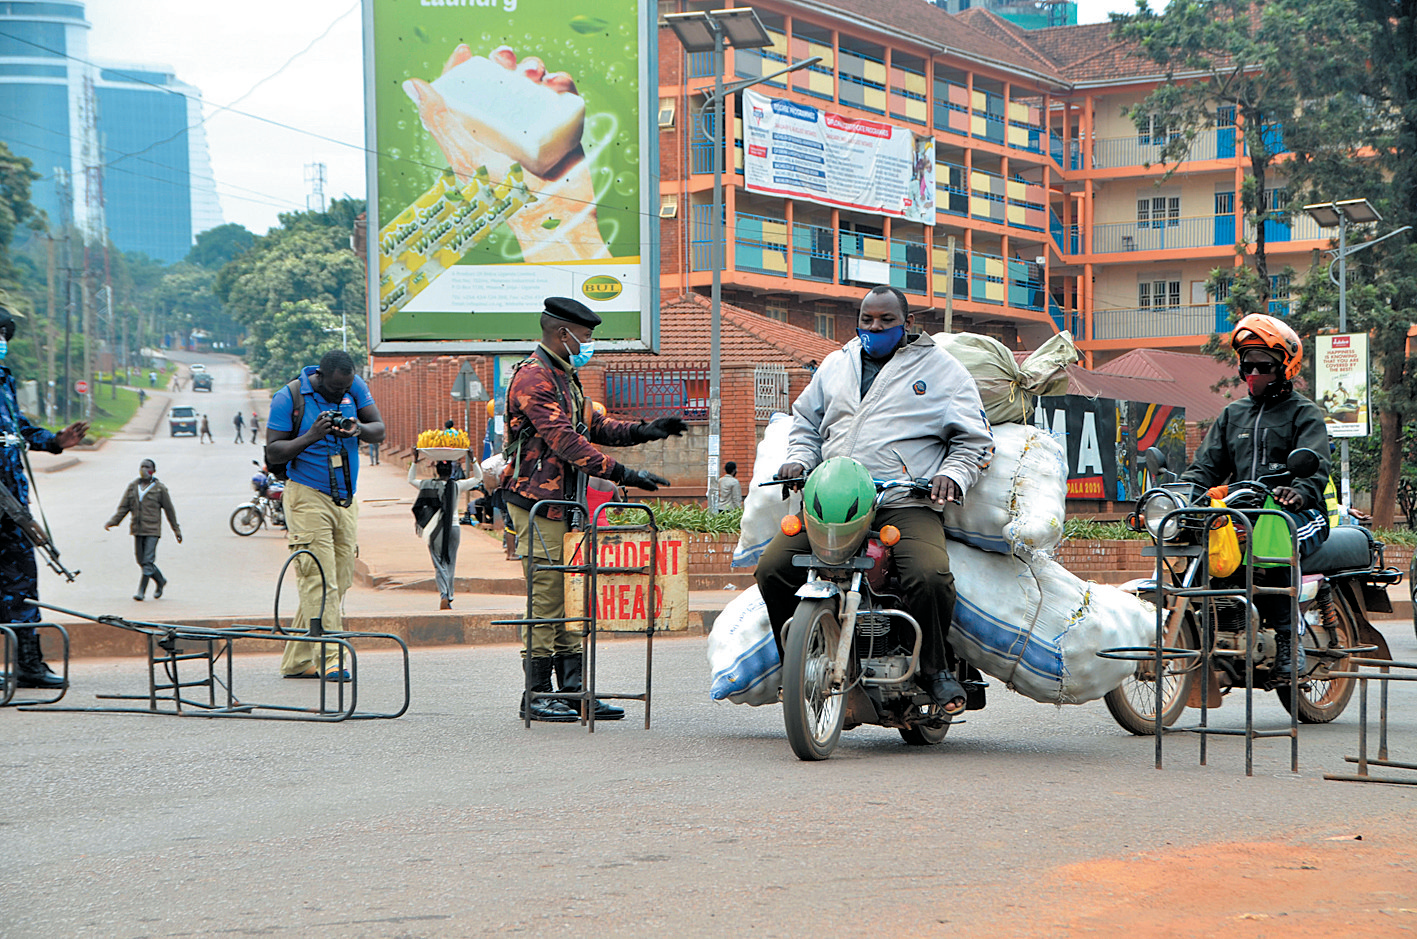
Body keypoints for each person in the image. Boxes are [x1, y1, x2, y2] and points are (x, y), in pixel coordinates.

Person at [755, 286, 994, 717]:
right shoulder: (836, 364)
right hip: (834, 499)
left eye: (886, 320)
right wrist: (799, 459)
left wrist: (951, 475)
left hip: (903, 500)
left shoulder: (942, 370)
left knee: (929, 575)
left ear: (908, 323)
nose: (875, 327)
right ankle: (797, 662)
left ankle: (935, 668)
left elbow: (974, 441)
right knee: (773, 568)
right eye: (867, 319)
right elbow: (806, 424)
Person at [502, 296, 686, 721]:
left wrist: (645, 431)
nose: (588, 344)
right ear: (562, 333)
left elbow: (593, 425)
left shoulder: (565, 376)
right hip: (537, 502)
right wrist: (625, 473)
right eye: (584, 336)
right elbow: (565, 441)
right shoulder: (534, 377)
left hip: (565, 502)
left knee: (572, 596)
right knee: (547, 596)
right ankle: (536, 693)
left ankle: (572, 690)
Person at [1179, 313, 1332, 676]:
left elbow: (1316, 465)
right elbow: (1205, 468)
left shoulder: (1304, 414)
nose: (1253, 374)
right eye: (1247, 366)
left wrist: (1299, 492)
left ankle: (1289, 640)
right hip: (1242, 512)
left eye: (1264, 366)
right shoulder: (1232, 415)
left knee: (1272, 535)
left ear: (1286, 368)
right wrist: (1181, 497)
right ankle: (1213, 629)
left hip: (1299, 513)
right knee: (1196, 535)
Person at [265, 349, 385, 680]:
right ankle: (332, 656)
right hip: (306, 495)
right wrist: (311, 436)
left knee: (340, 580)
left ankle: (297, 660)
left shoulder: (354, 386)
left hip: (345, 498)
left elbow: (379, 430)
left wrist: (357, 428)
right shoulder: (288, 397)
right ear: (320, 376)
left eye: (344, 388)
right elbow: (273, 451)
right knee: (319, 579)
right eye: (334, 389)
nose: (339, 394)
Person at [0, 308, 88, 690]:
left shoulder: (4, 381)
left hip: (11, 508)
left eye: (4, 337)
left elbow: (17, 429)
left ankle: (28, 665)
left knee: (21, 584)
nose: (2, 343)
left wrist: (54, 441)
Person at [410, 450, 481, 609]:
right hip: (453, 528)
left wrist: (415, 460)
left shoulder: (427, 485)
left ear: (437, 471)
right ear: (451, 471)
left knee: (438, 563)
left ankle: (444, 594)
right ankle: (449, 596)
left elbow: (411, 479)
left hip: (435, 529)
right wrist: (473, 459)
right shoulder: (457, 485)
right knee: (450, 561)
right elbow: (478, 478)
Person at [104, 459, 182, 601]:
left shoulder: (160, 489)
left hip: (152, 530)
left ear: (153, 470)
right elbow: (124, 507)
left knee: (147, 561)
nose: (144, 469)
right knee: (141, 561)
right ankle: (160, 580)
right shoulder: (133, 487)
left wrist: (176, 530)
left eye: (147, 467)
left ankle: (141, 591)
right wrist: (113, 521)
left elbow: (169, 510)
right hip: (138, 529)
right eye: (142, 466)